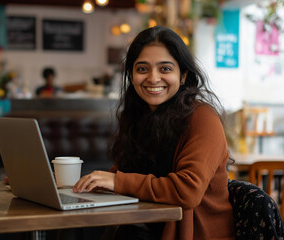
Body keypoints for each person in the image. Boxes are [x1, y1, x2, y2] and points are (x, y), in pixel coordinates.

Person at [73, 26, 234, 239]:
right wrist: (69, 183)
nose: (153, 78)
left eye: (165, 69)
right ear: (131, 75)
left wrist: (116, 182)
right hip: (139, 230)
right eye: (142, 69)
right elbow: (125, 174)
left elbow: (188, 191)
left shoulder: (202, 118)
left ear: (183, 75)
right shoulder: (138, 116)